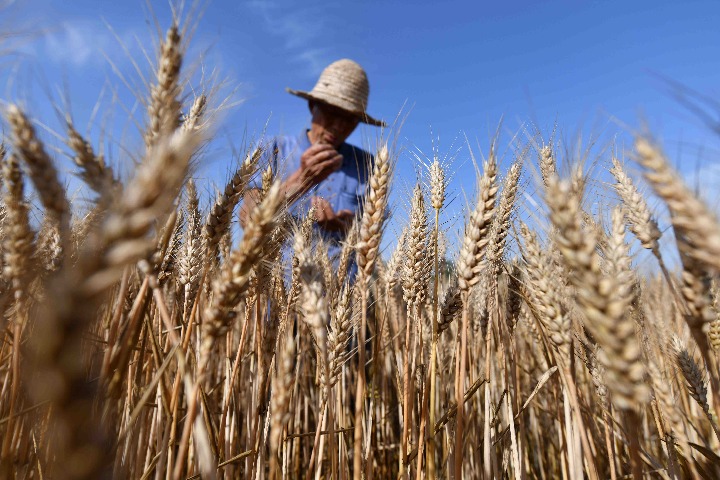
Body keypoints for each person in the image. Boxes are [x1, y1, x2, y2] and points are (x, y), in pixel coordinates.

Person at [240, 59, 385, 273]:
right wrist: (302, 179)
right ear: (312, 106)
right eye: (332, 112)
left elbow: (375, 233)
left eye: (350, 119)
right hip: (275, 295)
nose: (338, 126)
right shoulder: (272, 149)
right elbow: (248, 219)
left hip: (343, 297)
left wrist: (348, 226)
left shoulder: (369, 165)